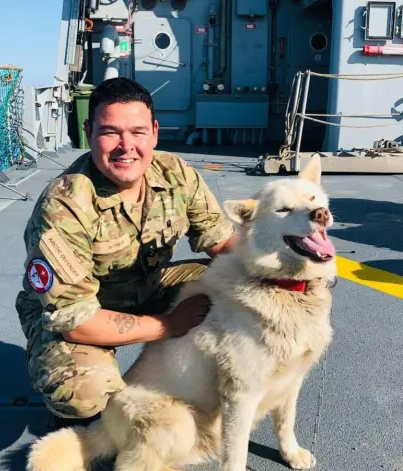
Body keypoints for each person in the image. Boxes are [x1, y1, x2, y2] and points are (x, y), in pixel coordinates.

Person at [15, 77, 238, 428]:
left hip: (148, 284)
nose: (126, 146)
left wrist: (284, 268)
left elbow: (223, 244)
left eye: (137, 132)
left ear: (154, 133)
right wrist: (169, 325)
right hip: (83, 309)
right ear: (89, 132)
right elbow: (78, 322)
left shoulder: (176, 174)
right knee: (84, 392)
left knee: (234, 285)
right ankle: (77, 401)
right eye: (110, 132)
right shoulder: (64, 206)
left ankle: (198, 379)